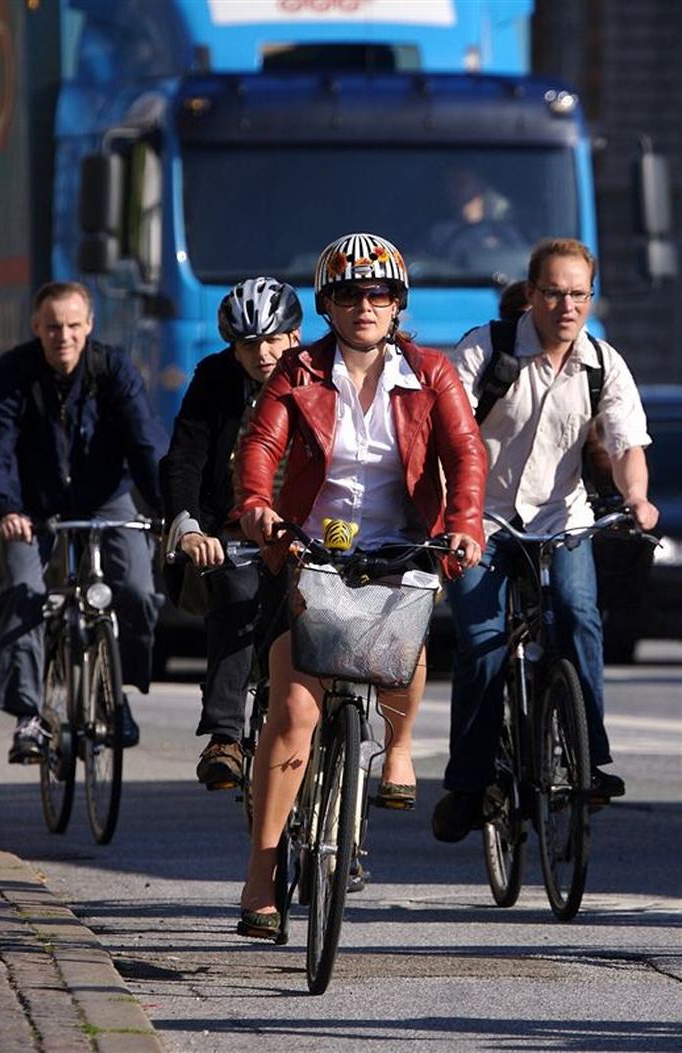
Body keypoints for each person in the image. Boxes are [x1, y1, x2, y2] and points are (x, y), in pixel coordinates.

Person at [232, 232, 488, 937]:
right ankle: (261, 872)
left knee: (409, 633)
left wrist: (465, 522)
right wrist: (256, 505)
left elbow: (465, 451)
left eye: (379, 293)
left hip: (400, 545)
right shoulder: (298, 371)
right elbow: (261, 446)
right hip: (312, 548)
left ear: (398, 303)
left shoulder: (432, 373)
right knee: (295, 710)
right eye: (348, 294)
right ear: (327, 306)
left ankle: (397, 748)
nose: (364, 305)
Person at [432, 237, 659, 843]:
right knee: (483, 643)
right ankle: (469, 783)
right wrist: (450, 514)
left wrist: (637, 499)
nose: (567, 306)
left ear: (592, 297)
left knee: (579, 616)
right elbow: (445, 434)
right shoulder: (486, 350)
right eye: (555, 293)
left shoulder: (602, 363)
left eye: (579, 294)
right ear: (531, 294)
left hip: (563, 519)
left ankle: (590, 758)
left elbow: (626, 445)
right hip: (482, 521)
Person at [0, 281, 167, 763]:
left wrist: (168, 510)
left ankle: (115, 693)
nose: (64, 336)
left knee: (138, 588)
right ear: (36, 327)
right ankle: (29, 716)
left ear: (89, 325)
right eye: (53, 326)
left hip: (105, 498)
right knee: (23, 591)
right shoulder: (12, 374)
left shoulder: (112, 369)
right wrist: (4, 509)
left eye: (74, 325)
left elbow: (145, 441)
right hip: (31, 505)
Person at [160, 276, 303, 790]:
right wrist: (189, 527)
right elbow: (185, 458)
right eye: (248, 344)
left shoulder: (321, 375)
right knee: (237, 591)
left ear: (294, 336)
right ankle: (224, 736)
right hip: (233, 529)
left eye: (272, 340)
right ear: (232, 347)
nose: (262, 354)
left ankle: (345, 723)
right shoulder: (214, 379)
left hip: (309, 527)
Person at [427, 166, 527, 268]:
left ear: (480, 184)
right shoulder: (440, 233)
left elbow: (521, 266)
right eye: (450, 183)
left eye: (461, 181)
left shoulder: (505, 232)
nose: (453, 188)